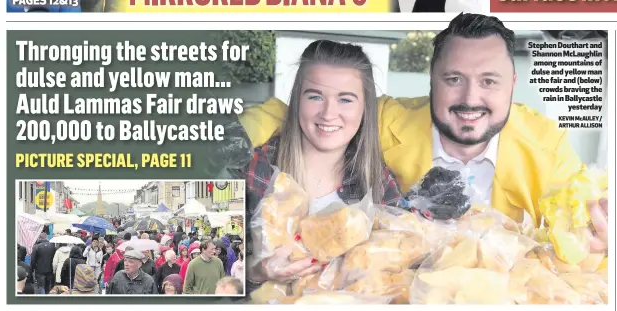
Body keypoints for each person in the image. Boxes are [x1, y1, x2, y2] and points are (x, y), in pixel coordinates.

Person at [225, 14, 610, 265]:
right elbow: (312, 108)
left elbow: (585, 225)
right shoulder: (386, 119)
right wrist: (230, 140)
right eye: (453, 79)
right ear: (432, 81)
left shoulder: (548, 146)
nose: (470, 99)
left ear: (513, 85)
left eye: (489, 81)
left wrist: (599, 244)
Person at [234, 40, 403, 291]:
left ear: (365, 108)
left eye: (345, 100)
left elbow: (398, 272)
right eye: (315, 96)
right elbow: (209, 272)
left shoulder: (378, 182)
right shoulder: (254, 168)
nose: (328, 113)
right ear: (297, 100)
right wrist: (257, 271)